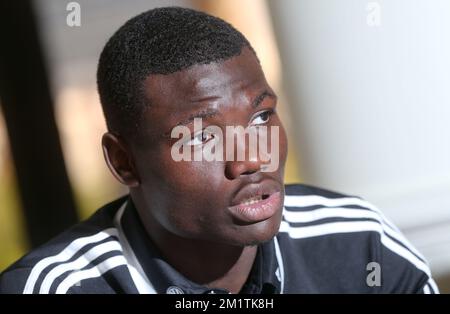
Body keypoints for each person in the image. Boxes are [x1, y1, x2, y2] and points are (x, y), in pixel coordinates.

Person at [0, 7, 439, 294]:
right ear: (124, 162)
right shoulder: (56, 289)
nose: (251, 158)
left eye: (261, 118)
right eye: (202, 138)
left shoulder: (357, 246)